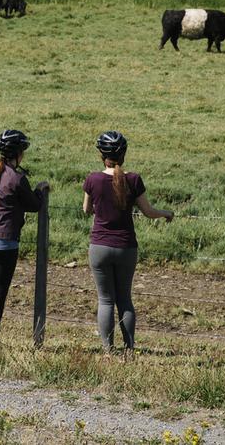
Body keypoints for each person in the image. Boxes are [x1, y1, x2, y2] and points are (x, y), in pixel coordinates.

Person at [82, 131, 173, 353]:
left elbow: (86, 210)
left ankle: (107, 350)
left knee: (105, 300)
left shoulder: (92, 179)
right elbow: (149, 211)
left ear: (102, 155)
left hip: (100, 247)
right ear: (124, 155)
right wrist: (166, 213)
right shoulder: (133, 179)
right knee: (124, 299)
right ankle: (130, 348)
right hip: (126, 247)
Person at [0, 129, 49, 339]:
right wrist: (40, 190)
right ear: (18, 153)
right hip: (4, 242)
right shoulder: (17, 178)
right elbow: (34, 205)